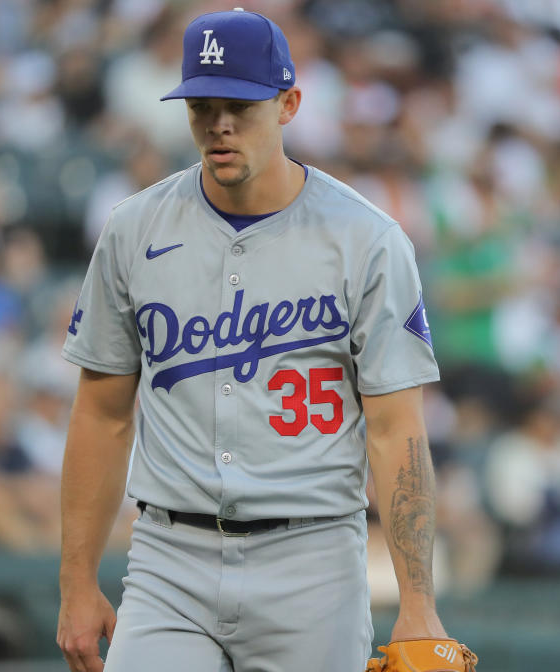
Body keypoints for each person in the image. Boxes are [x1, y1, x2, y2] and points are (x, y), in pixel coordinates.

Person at [56, 8, 459, 672]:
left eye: (240, 105)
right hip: (169, 560)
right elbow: (100, 413)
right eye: (202, 105)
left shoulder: (367, 240)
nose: (219, 123)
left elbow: (397, 432)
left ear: (289, 103)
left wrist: (418, 602)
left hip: (312, 565)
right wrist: (76, 581)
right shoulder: (133, 230)